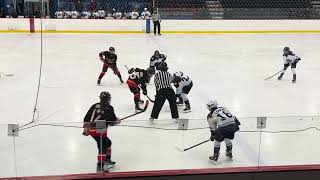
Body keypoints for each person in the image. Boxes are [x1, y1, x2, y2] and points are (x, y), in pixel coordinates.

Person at [83, 91, 121, 172]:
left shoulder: (94, 105)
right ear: (108, 99)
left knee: (108, 142)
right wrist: (117, 121)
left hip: (91, 128)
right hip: (100, 128)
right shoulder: (109, 108)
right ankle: (100, 167)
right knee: (102, 146)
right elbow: (111, 121)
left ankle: (107, 160)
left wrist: (86, 128)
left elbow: (86, 118)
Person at [206, 100, 240, 164]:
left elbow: (213, 128)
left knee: (217, 140)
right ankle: (229, 153)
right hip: (233, 125)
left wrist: (213, 136)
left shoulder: (210, 115)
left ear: (210, 107)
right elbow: (231, 117)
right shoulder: (223, 108)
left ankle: (215, 158)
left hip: (224, 127)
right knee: (226, 137)